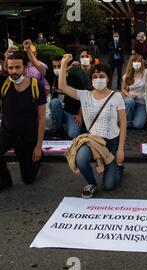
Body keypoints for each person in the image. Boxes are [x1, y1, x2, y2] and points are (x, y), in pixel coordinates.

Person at [58, 54, 126, 199]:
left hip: (111, 143)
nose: (98, 79)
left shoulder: (116, 96)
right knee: (80, 159)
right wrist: (64, 64)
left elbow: (124, 125)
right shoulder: (84, 95)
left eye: (101, 76)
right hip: (92, 140)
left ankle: (118, 169)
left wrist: (120, 150)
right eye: (94, 76)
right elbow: (62, 86)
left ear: (108, 78)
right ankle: (91, 183)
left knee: (109, 186)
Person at [0, 52, 46, 190]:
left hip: (27, 137)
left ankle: (39, 157)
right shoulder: (4, 83)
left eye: (18, 67)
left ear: (25, 67)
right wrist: (6, 54)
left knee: (28, 179)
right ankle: (5, 180)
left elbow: (42, 117)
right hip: (8, 133)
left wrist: (38, 146)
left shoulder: (36, 86)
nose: (14, 71)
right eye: (11, 68)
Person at [49, 55, 85, 139]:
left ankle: (78, 126)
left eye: (59, 66)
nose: (57, 69)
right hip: (59, 109)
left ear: (66, 66)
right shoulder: (54, 78)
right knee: (54, 102)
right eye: (54, 66)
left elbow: (84, 98)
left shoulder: (75, 78)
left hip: (71, 112)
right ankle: (59, 128)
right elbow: (38, 66)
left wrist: (80, 115)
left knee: (73, 134)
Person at [121, 54, 147, 129]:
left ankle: (133, 118)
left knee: (139, 125)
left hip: (141, 102)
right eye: (134, 61)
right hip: (130, 100)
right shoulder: (127, 76)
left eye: (139, 61)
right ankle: (127, 122)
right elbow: (123, 89)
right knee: (130, 102)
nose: (137, 63)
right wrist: (129, 95)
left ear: (142, 63)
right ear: (131, 63)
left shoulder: (145, 72)